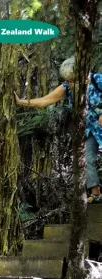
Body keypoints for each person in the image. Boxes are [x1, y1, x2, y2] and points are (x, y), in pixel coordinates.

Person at [14, 56, 102, 203]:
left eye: (72, 80)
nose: (70, 83)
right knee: (87, 159)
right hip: (90, 130)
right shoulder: (67, 87)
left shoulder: (97, 80)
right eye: (68, 80)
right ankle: (96, 193)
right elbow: (45, 100)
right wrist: (21, 102)